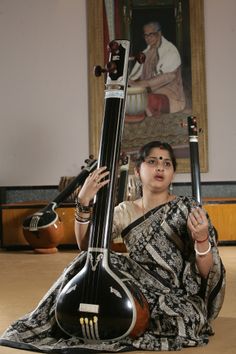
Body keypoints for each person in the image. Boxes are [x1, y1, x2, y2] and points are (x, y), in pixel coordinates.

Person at [0, 141, 225, 353]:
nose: (160, 168)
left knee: (187, 319)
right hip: (138, 289)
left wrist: (202, 240)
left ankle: (126, 322)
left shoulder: (187, 208)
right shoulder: (124, 211)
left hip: (172, 293)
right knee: (94, 259)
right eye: (153, 161)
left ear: (173, 173)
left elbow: (206, 273)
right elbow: (88, 247)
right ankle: (48, 320)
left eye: (167, 163)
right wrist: (84, 203)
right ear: (138, 171)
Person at [128, 21, 186, 117]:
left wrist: (140, 85)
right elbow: (134, 75)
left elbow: (167, 77)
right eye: (145, 35)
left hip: (170, 95)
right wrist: (129, 82)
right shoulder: (146, 53)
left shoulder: (170, 51)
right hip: (147, 91)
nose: (147, 38)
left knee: (147, 100)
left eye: (151, 35)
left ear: (159, 33)